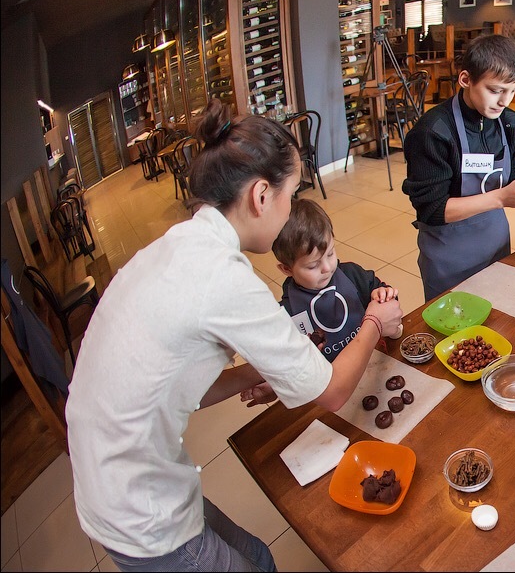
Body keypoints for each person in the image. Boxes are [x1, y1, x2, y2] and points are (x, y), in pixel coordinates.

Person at [65, 100, 402, 572]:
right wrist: (373, 319)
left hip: (112, 477)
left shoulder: (175, 246)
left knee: (259, 556)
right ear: (262, 196)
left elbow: (182, 385)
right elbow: (333, 392)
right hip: (139, 509)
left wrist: (253, 375)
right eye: (291, 195)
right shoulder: (224, 278)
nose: (290, 210)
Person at [402, 34, 515, 300]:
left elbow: (513, 170)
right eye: (495, 90)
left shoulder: (509, 122)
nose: (505, 101)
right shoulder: (433, 132)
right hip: (449, 254)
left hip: (494, 241)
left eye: (513, 91)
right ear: (465, 79)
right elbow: (432, 209)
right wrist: (501, 197)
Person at [272, 198, 398, 362]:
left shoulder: (352, 275)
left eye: (330, 254)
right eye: (312, 266)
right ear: (287, 269)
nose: (327, 268)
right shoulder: (288, 313)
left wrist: (383, 295)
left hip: (376, 361)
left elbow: (386, 300)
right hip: (334, 380)